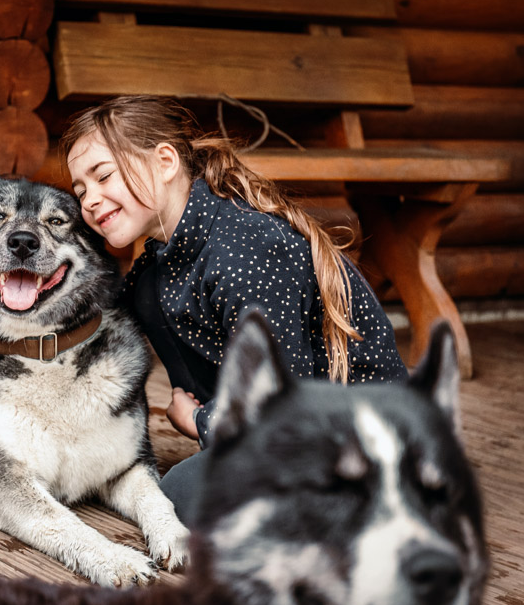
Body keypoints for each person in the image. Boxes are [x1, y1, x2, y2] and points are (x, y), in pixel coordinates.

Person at [62, 96, 407, 518]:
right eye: (81, 191)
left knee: (180, 494)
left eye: (103, 176)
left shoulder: (244, 251)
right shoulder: (161, 260)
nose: (90, 200)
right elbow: (105, 321)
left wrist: (199, 422)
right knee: (147, 294)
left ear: (165, 162)